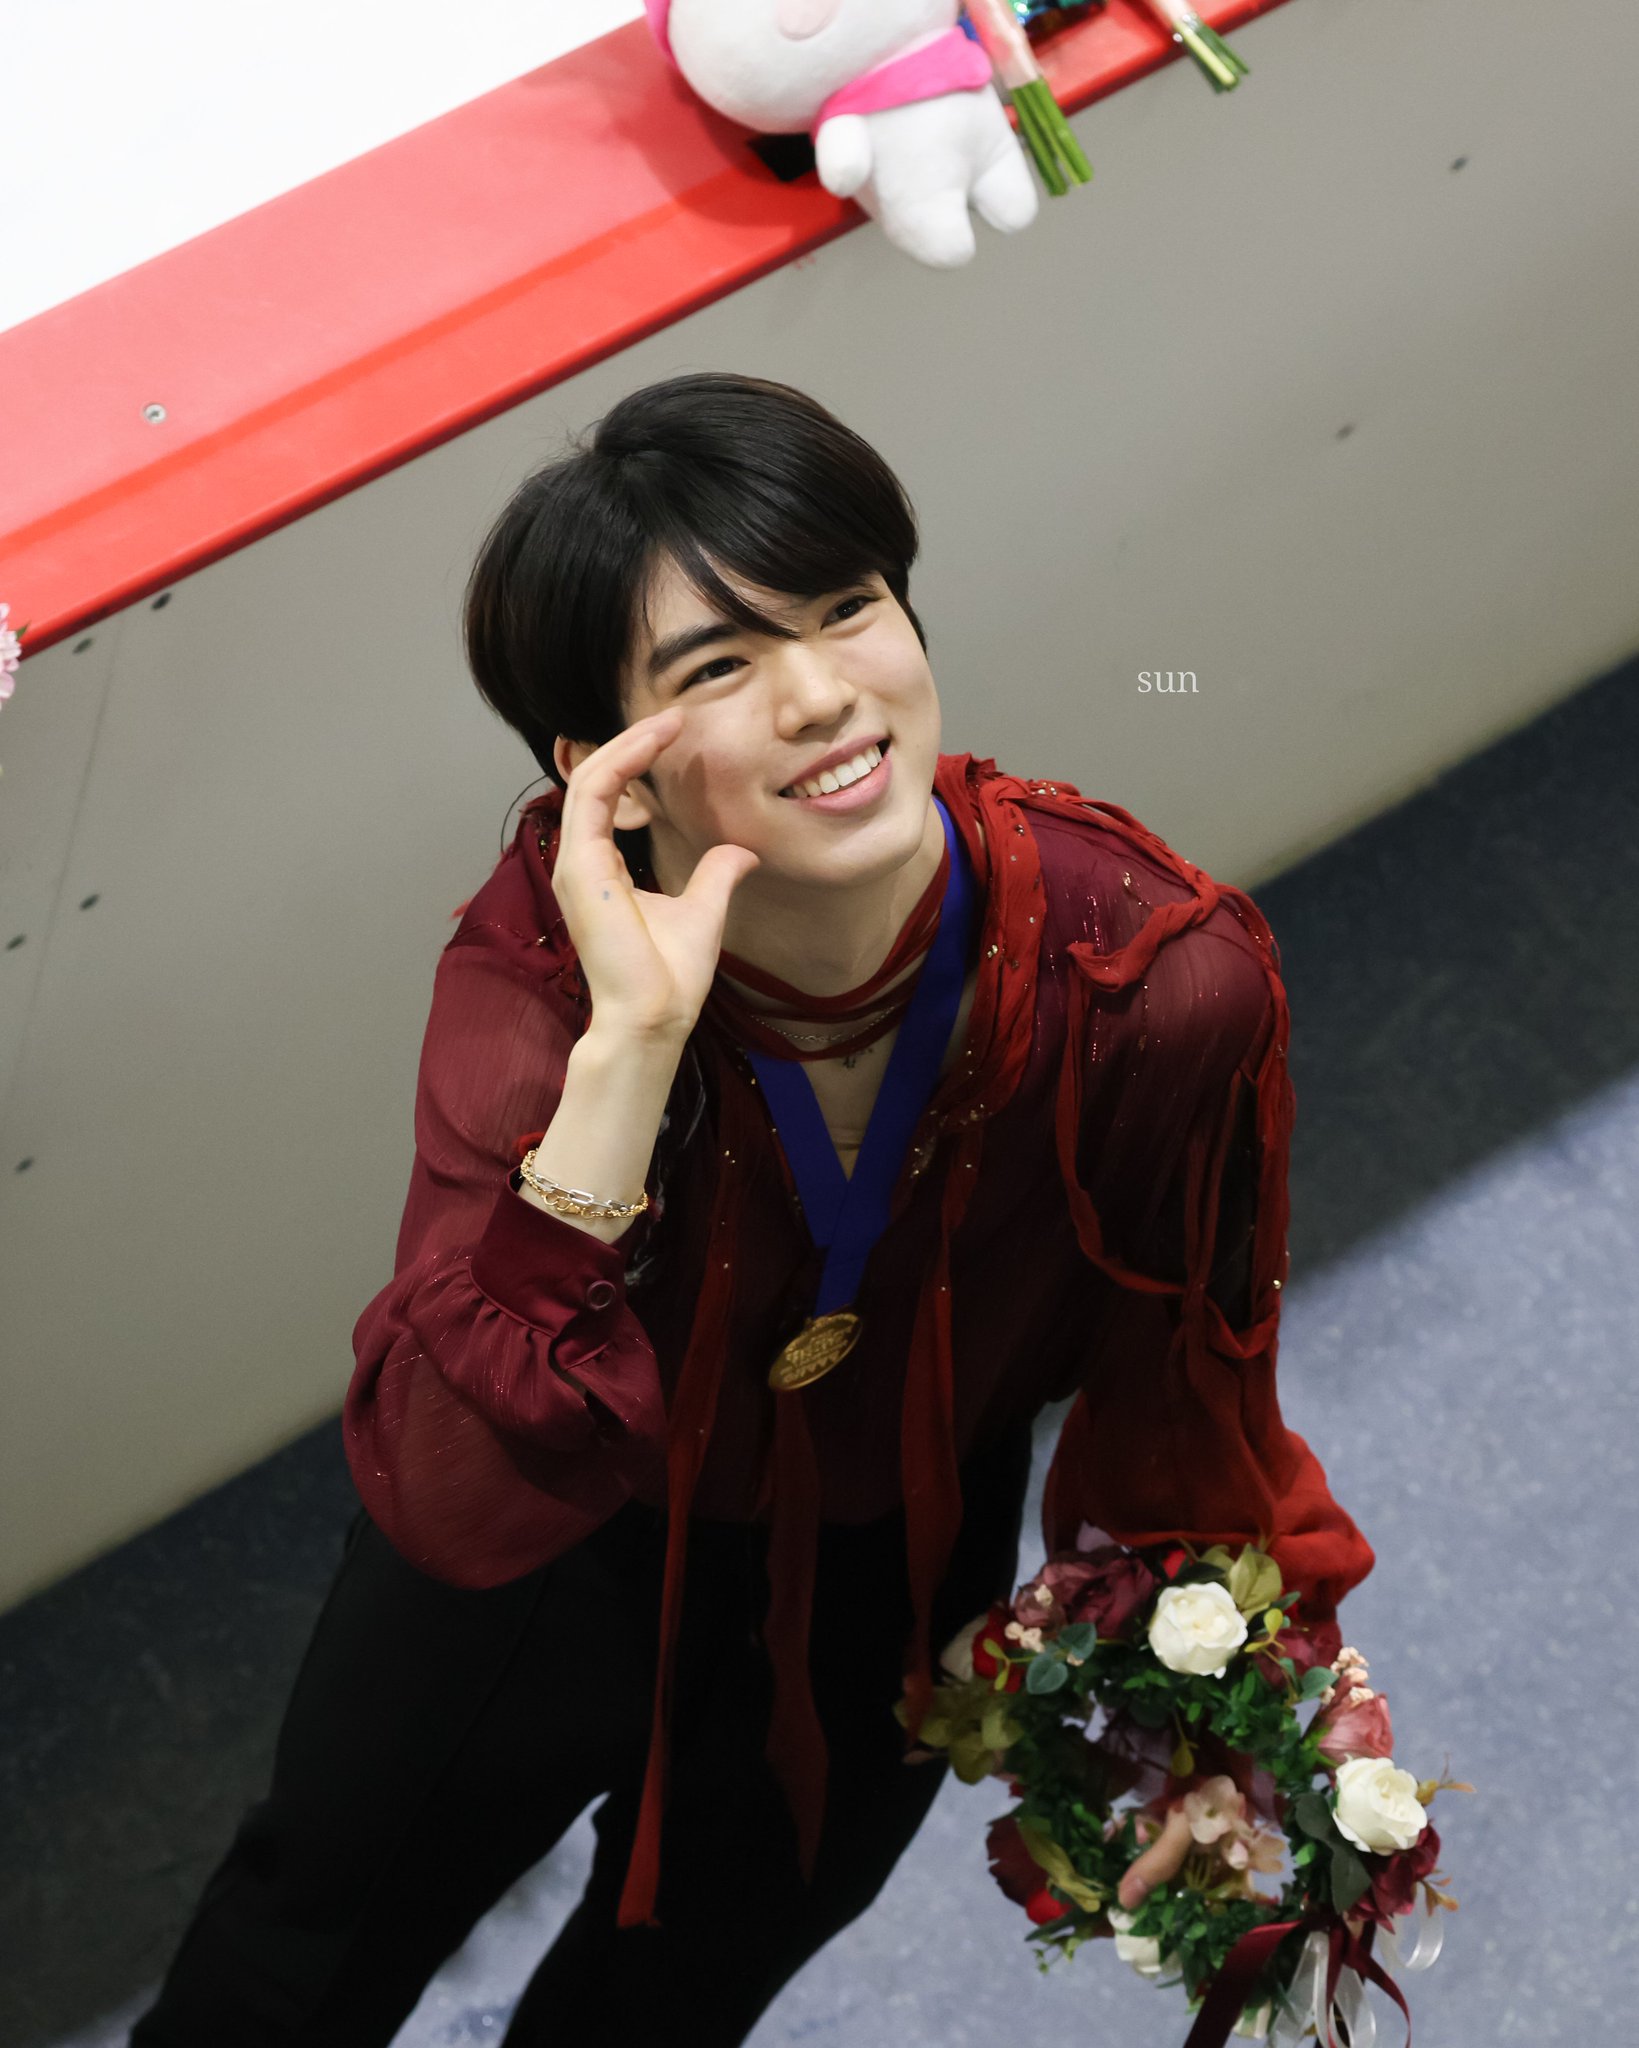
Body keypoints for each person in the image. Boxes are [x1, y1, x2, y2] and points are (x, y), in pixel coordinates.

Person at [130, 371, 1375, 2047]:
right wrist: (630, 1050)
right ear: (608, 773)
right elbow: (452, 1498)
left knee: (677, 2004)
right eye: (716, 667)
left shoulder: (1150, 977)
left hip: (889, 1550)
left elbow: (1189, 1385)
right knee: (301, 1957)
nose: (821, 696)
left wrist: (1216, 1706)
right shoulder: (538, 981)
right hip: (561, 1536)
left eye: (848, 608)